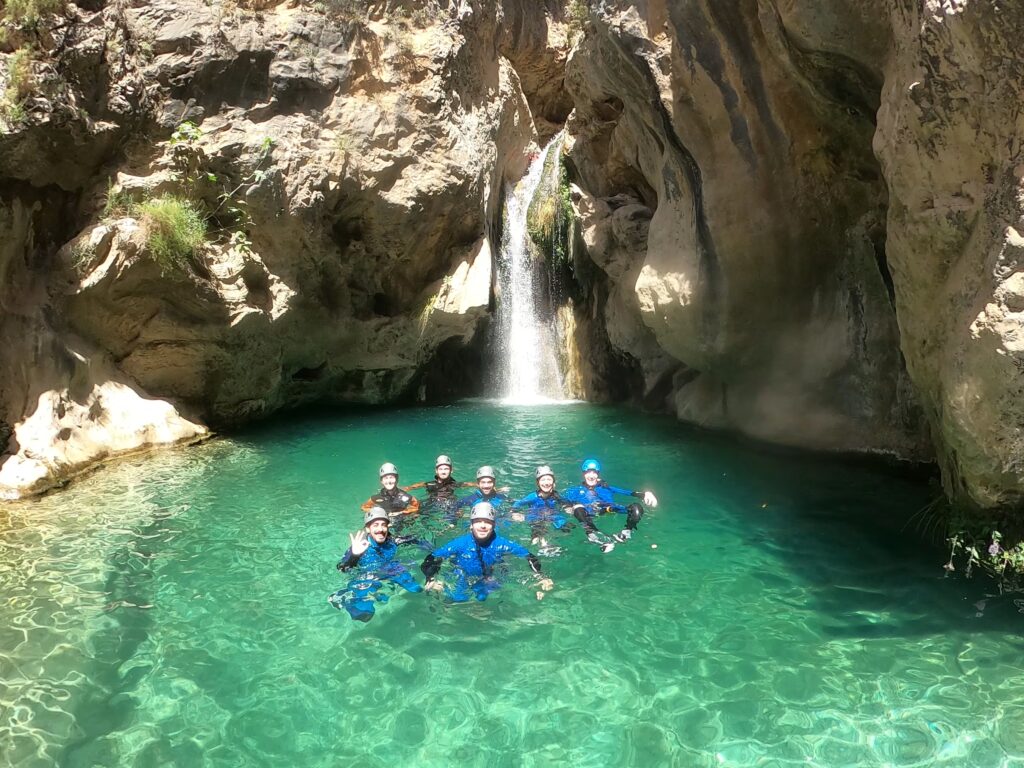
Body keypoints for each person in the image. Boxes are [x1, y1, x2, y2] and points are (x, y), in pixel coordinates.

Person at [420, 502, 553, 602]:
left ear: (494, 525)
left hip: (489, 576)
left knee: (482, 597)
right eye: (478, 521)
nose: (483, 525)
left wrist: (541, 577)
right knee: (457, 599)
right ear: (471, 524)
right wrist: (431, 577)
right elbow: (431, 559)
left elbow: (529, 556)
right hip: (461, 574)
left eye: (487, 522)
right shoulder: (460, 544)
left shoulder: (501, 544)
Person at [328, 506, 424, 622]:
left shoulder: (393, 541)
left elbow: (416, 539)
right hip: (367, 576)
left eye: (383, 525)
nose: (380, 529)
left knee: (417, 590)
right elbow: (342, 568)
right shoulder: (360, 547)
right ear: (368, 529)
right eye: (375, 525)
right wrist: (354, 556)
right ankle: (342, 597)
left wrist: (433, 553)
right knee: (363, 615)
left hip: (391, 568)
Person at [562, 458, 658, 552]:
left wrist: (645, 494)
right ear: (584, 474)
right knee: (578, 509)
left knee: (636, 508)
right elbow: (563, 502)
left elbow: (627, 492)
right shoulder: (575, 490)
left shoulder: (606, 487)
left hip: (610, 509)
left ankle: (626, 532)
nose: (591, 476)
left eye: (594, 472)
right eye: (588, 472)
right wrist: (568, 509)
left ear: (598, 474)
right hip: (588, 514)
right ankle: (592, 533)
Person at [510, 464, 574, 550]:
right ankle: (542, 544)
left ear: (553, 482)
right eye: (543, 480)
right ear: (538, 483)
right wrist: (515, 513)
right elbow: (518, 504)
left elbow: (565, 502)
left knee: (568, 528)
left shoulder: (556, 495)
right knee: (538, 531)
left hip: (551, 515)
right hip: (535, 516)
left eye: (549, 479)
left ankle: (549, 541)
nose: (546, 483)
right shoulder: (532, 497)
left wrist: (567, 507)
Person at [403, 454, 475, 511]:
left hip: (449, 504)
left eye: (446, 469)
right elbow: (420, 484)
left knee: (457, 512)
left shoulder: (454, 484)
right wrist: (408, 488)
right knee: (416, 511)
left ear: (451, 470)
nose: (443, 472)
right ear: (436, 471)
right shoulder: (431, 484)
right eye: (440, 469)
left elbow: (468, 484)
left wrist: (479, 485)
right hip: (431, 503)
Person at [361, 462, 420, 531]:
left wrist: (401, 513)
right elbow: (364, 507)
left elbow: (416, 507)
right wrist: (379, 512)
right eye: (385, 478)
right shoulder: (376, 498)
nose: (389, 481)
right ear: (381, 481)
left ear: (397, 479)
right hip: (383, 523)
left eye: (391, 477)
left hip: (400, 522)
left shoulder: (406, 497)